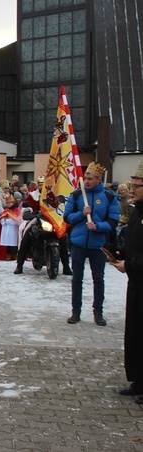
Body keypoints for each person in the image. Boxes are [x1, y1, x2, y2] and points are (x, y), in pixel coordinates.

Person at [64, 162, 119, 326]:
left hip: (97, 244)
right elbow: (67, 217)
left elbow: (114, 221)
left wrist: (98, 226)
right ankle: (75, 311)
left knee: (98, 279)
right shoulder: (76, 195)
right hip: (79, 242)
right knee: (77, 278)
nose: (87, 181)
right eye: (85, 178)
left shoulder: (109, 197)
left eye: (91, 178)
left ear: (98, 179)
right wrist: (82, 214)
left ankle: (98, 312)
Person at [111, 163, 143, 400]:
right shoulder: (137, 212)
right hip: (137, 282)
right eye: (131, 186)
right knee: (135, 332)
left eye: (136, 186)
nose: (131, 190)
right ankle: (138, 380)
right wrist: (120, 254)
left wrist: (130, 265)